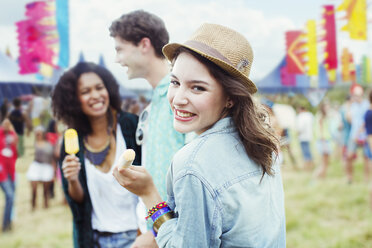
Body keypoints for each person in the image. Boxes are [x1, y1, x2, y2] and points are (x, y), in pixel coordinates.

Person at [113, 23, 286, 247]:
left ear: (230, 97)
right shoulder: (263, 144)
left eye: (197, 88)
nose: (178, 99)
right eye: (175, 82)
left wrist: (148, 195)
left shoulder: (192, 165)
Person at [109, 9, 186, 244]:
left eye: (120, 49)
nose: (117, 59)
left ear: (144, 44)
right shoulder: (155, 103)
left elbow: (195, 180)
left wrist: (155, 234)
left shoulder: (182, 100)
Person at [51, 62, 142, 248]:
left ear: (108, 89)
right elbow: (78, 201)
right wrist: (73, 179)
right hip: (94, 240)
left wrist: (148, 232)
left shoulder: (131, 126)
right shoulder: (72, 140)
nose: (95, 96)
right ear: (74, 99)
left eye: (99, 88)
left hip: (136, 237)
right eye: (85, 92)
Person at [26, 126, 55, 210]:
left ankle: (46, 205)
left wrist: (53, 172)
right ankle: (33, 205)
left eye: (39, 133)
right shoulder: (34, 144)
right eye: (37, 133)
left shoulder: (49, 145)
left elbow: (52, 159)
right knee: (34, 188)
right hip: (36, 166)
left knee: (46, 189)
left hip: (47, 167)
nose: (38, 135)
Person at [345, 85, 369, 184]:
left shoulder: (367, 104)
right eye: (354, 95)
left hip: (364, 135)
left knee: (366, 157)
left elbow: (366, 121)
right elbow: (350, 120)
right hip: (353, 134)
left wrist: (359, 133)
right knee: (349, 156)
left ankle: (366, 179)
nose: (356, 97)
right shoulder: (352, 106)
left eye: (358, 95)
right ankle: (349, 178)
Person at [0, 118, 18, 232]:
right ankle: (5, 225)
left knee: (11, 198)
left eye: (8, 124)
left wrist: (15, 141)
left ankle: (8, 223)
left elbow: (15, 153)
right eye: (4, 124)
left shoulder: (12, 135)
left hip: (11, 171)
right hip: (2, 172)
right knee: (10, 196)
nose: (6, 126)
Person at [296, 106, 314, 170]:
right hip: (308, 135)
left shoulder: (301, 116)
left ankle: (307, 165)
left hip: (303, 136)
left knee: (305, 151)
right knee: (308, 150)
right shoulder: (309, 115)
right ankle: (311, 164)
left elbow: (301, 127)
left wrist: (297, 133)